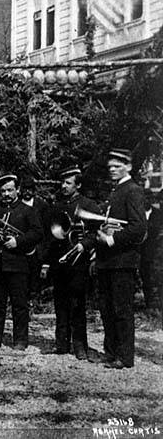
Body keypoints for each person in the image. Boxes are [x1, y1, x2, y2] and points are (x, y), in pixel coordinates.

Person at [92, 148, 147, 369]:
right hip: (108, 260)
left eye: (117, 166)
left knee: (121, 308)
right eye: (110, 167)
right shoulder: (116, 191)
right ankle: (111, 351)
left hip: (122, 259)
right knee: (106, 307)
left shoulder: (132, 190)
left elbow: (138, 228)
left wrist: (112, 240)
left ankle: (125, 357)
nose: (112, 170)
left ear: (129, 167)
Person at [0, 173, 43, 350]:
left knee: (19, 305)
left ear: (17, 190)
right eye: (3, 191)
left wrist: (18, 241)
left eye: (10, 190)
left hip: (18, 263)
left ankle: (20, 340)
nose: (6, 194)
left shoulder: (27, 210)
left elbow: (38, 233)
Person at [46, 165, 100, 360]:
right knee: (60, 304)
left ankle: (79, 346)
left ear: (78, 185)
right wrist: (47, 263)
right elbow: (50, 236)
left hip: (79, 262)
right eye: (62, 182)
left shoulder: (89, 205)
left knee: (77, 304)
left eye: (68, 183)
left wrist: (84, 244)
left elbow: (97, 233)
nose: (63, 186)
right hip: (60, 263)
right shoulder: (57, 206)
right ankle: (61, 344)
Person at [20, 176, 51, 305]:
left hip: (38, 246)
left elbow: (47, 228)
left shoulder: (42, 205)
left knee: (35, 274)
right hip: (21, 245)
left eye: (30, 189)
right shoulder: (17, 204)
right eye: (25, 189)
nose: (27, 192)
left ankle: (35, 299)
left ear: (34, 190)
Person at [140, 190, 163, 324]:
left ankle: (158, 305)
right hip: (142, 252)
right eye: (144, 198)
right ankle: (149, 303)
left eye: (149, 198)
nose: (146, 201)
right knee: (146, 277)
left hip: (156, 252)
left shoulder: (158, 214)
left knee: (157, 278)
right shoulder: (137, 214)